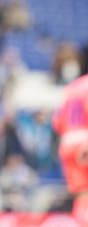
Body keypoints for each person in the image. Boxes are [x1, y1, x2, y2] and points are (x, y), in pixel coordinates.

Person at [52, 73, 88, 226]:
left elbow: (57, 122)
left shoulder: (73, 86)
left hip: (67, 144)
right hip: (84, 145)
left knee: (82, 196)